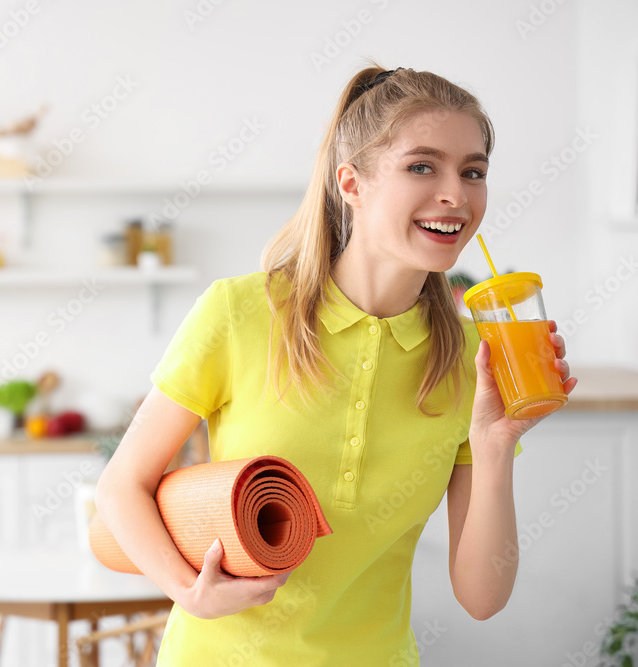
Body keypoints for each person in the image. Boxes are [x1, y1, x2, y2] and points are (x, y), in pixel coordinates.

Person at [94, 65, 578, 665]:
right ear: (351, 182)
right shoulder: (242, 312)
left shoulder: (474, 360)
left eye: (473, 171)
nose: (456, 192)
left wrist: (495, 442)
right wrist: (187, 593)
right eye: (422, 166)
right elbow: (121, 487)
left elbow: (482, 597)